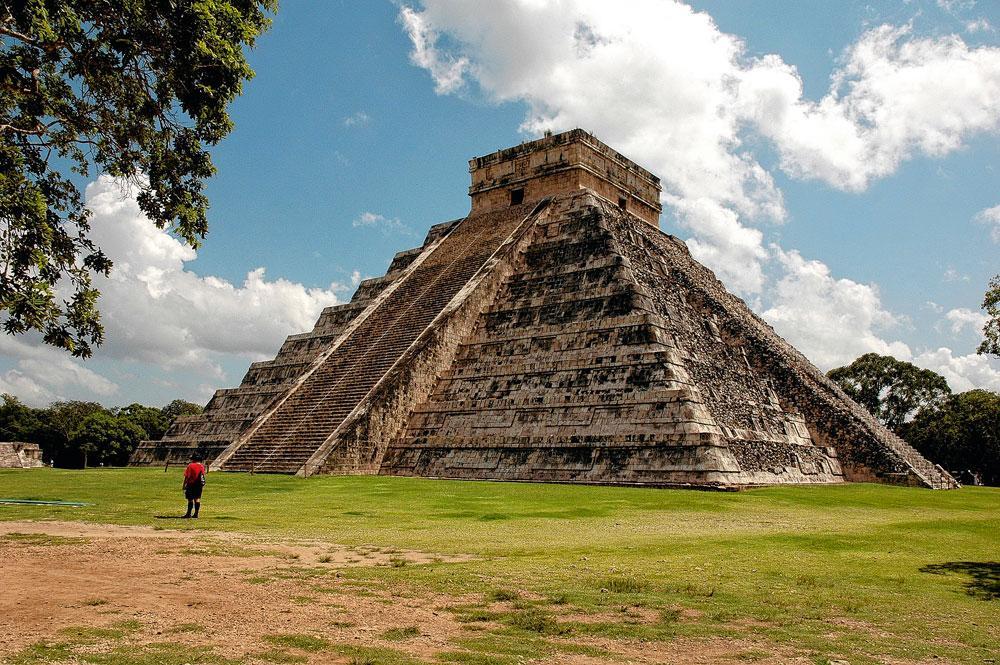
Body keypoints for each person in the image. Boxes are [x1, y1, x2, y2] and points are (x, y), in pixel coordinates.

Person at [182, 453, 207, 518]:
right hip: (198, 484)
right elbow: (202, 475)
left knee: (190, 499)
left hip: (191, 484)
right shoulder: (201, 466)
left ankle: (188, 513)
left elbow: (187, 476)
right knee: (197, 498)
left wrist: (184, 484)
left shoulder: (190, 465)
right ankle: (196, 514)